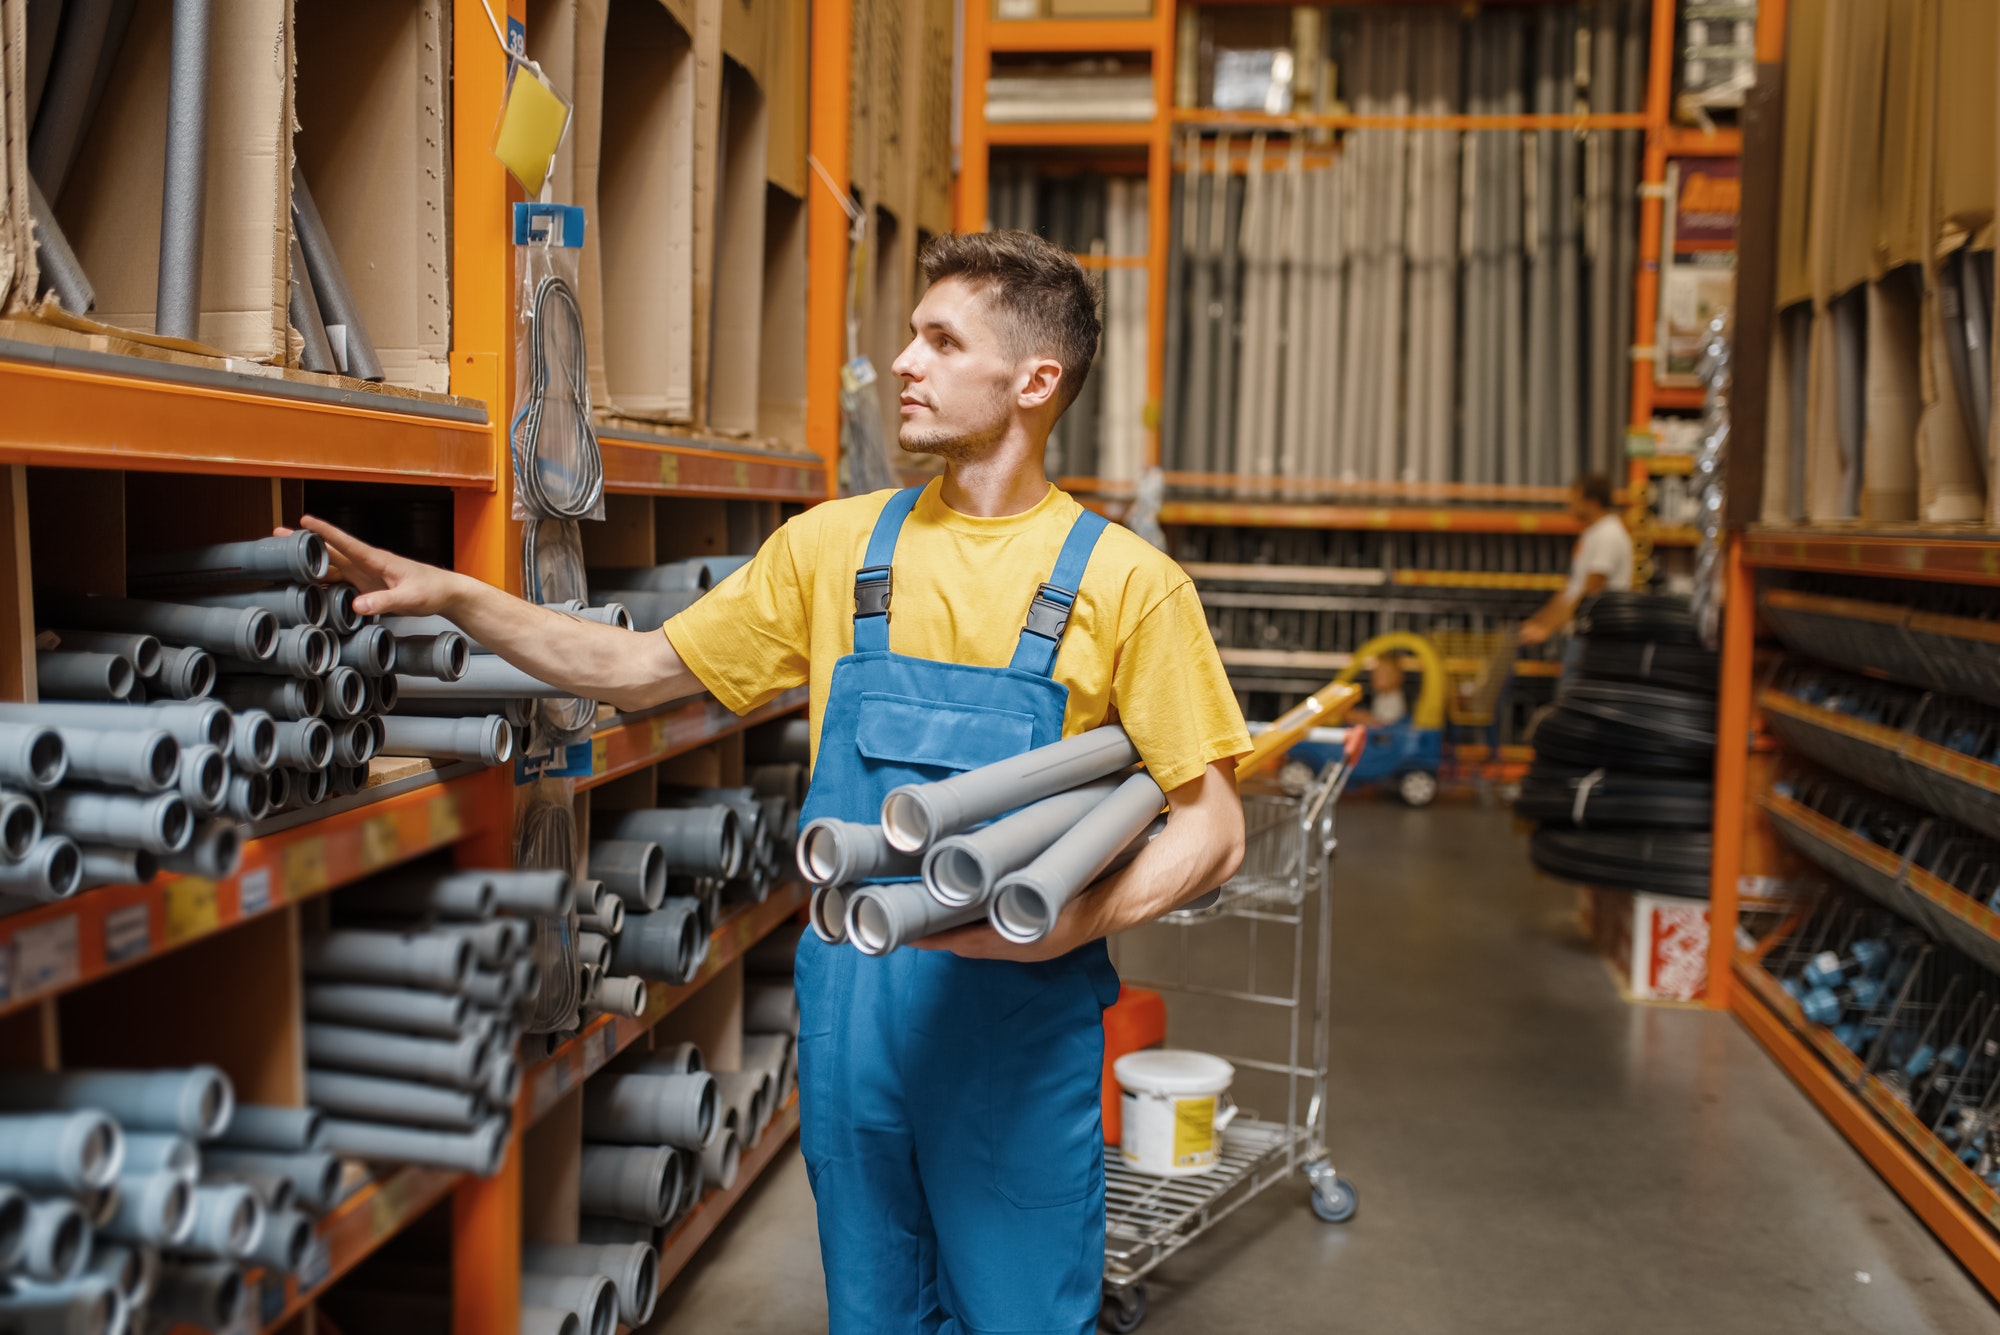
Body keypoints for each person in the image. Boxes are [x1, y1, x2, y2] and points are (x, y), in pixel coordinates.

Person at [291, 229, 1251, 1335]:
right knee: (875, 1313)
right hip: (853, 1021)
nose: (903, 360)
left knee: (1023, 1318)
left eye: (941, 340)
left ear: (1033, 381)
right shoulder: (837, 549)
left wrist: (1063, 919)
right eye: (910, 334)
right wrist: (462, 597)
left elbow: (1209, 828)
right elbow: (636, 671)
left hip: (1012, 1040)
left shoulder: (1129, 587)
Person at [1518, 472, 1634, 647]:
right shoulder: (1592, 534)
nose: (1569, 505)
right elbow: (1572, 589)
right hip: (1582, 633)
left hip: (1597, 637)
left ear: (1592, 503)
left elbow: (1591, 590)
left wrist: (1546, 629)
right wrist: (1539, 621)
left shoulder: (1608, 535)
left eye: (1575, 499)